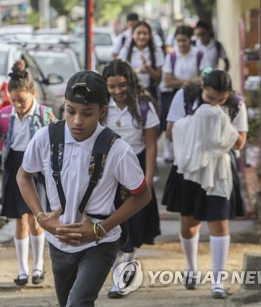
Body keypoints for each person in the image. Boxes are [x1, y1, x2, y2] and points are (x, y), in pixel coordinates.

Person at [16, 70, 152, 306]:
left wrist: (101, 229)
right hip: (57, 242)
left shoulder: (117, 149)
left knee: (77, 303)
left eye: (87, 113)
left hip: (101, 243)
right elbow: (23, 176)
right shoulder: (45, 137)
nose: (77, 120)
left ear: (102, 111)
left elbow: (142, 195)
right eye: (70, 111)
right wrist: (41, 217)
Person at [162, 69, 248, 299]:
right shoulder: (185, 97)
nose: (215, 103)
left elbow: (239, 142)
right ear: (202, 88)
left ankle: (218, 280)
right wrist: (197, 124)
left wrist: (220, 123)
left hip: (219, 170)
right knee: (189, 222)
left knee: (220, 223)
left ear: (228, 95)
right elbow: (170, 132)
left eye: (221, 100)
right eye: (210, 99)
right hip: (189, 166)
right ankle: (191, 268)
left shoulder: (236, 105)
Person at [0, 60, 54, 286]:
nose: (18, 105)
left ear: (33, 93)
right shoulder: (6, 115)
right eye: (13, 100)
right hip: (14, 168)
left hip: (37, 170)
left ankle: (38, 266)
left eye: (22, 100)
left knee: (38, 219)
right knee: (19, 222)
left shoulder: (46, 116)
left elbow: (56, 144)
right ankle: (22, 270)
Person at [101, 59, 161, 298]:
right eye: (112, 87)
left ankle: (124, 273)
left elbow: (151, 144)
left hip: (135, 168)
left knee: (132, 228)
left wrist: (148, 177)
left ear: (130, 82)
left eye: (122, 86)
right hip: (109, 172)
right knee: (113, 224)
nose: (117, 92)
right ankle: (119, 276)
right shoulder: (102, 106)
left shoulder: (143, 105)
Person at [161, 25, 209, 162]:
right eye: (178, 41)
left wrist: (180, 81)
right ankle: (170, 151)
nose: (181, 44)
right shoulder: (172, 57)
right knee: (173, 122)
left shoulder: (199, 55)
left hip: (195, 95)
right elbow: (167, 82)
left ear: (190, 39)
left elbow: (204, 77)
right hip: (177, 94)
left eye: (184, 40)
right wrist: (190, 81)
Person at [118, 21, 165, 101]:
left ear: (150, 35)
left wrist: (148, 69)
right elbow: (120, 74)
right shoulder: (125, 51)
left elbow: (158, 77)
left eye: (145, 33)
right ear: (132, 34)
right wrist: (137, 71)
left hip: (150, 93)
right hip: (130, 93)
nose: (142, 36)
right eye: (138, 33)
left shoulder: (156, 51)